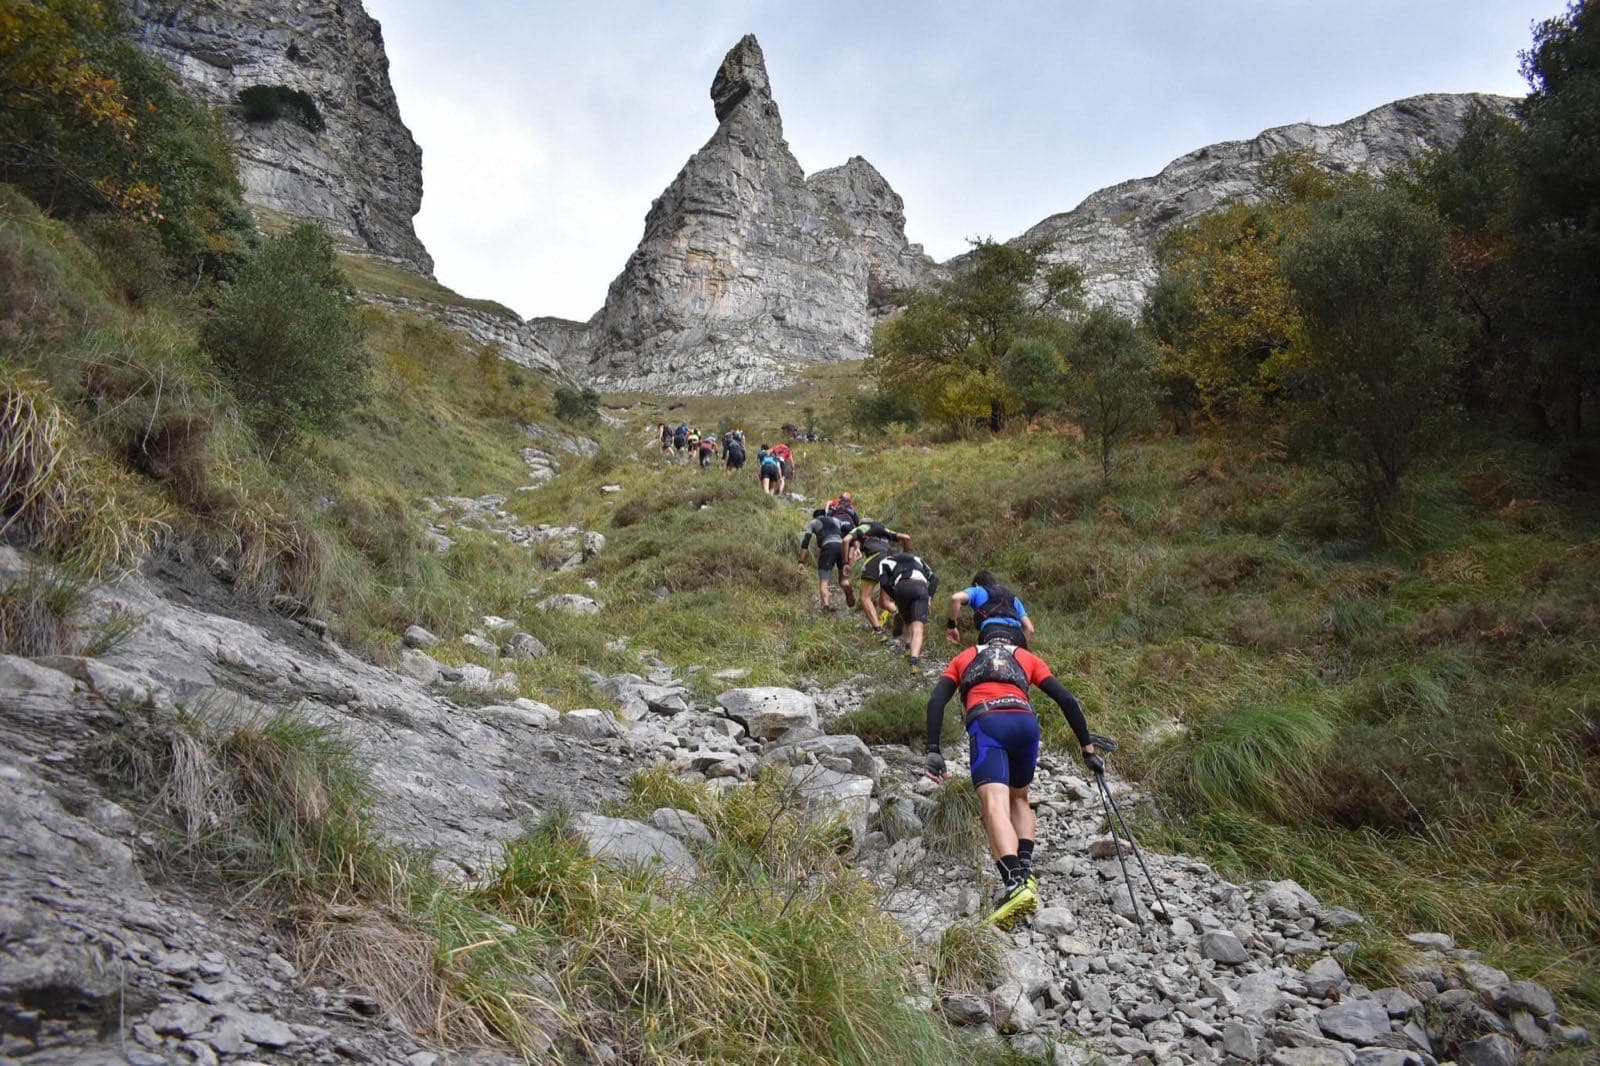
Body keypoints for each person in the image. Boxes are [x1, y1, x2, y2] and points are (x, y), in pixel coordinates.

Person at [923, 633, 1103, 928]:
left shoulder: (965, 656)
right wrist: (1087, 750)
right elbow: (1066, 699)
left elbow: (936, 700)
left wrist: (933, 749)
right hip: (1025, 723)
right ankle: (1025, 868)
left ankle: (1014, 883)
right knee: (1019, 798)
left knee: (994, 802)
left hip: (988, 721)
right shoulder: (1026, 657)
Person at [843, 518, 911, 633]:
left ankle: (878, 631)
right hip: (891, 561)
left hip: (875, 558)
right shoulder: (884, 529)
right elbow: (906, 537)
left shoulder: (863, 527)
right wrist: (906, 555)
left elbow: (846, 540)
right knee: (884, 602)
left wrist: (845, 563)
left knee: (865, 597)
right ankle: (898, 614)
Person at [946, 570, 1036, 649]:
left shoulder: (978, 590)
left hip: (992, 632)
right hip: (1017, 635)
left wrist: (951, 626)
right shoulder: (1014, 598)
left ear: (976, 584)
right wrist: (1019, 648)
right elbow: (1030, 629)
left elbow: (956, 598)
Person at [875, 552, 936, 664]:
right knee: (918, 627)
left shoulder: (885, 561)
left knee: (906, 621)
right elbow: (934, 579)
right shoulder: (918, 558)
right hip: (920, 587)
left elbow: (883, 583)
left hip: (901, 587)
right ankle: (914, 661)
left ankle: (907, 649)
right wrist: (929, 597)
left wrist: (895, 596)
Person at [797, 508, 850, 610]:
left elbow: (805, 541)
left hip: (828, 547)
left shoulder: (813, 522)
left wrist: (801, 561)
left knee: (824, 581)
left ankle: (826, 606)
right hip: (841, 547)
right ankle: (847, 586)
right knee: (843, 580)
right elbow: (849, 531)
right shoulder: (836, 520)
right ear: (825, 515)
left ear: (815, 516)